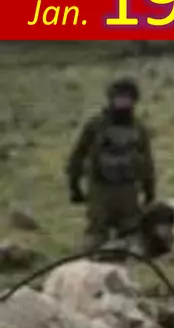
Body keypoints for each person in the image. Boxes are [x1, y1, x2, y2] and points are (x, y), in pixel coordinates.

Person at [65, 77, 156, 250]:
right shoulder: (95, 126)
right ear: (111, 98)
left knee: (129, 236)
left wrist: (149, 189)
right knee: (96, 238)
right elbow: (77, 156)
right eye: (119, 97)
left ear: (134, 100)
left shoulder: (139, 129)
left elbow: (147, 161)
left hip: (128, 190)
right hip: (101, 190)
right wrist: (74, 185)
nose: (123, 101)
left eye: (127, 97)